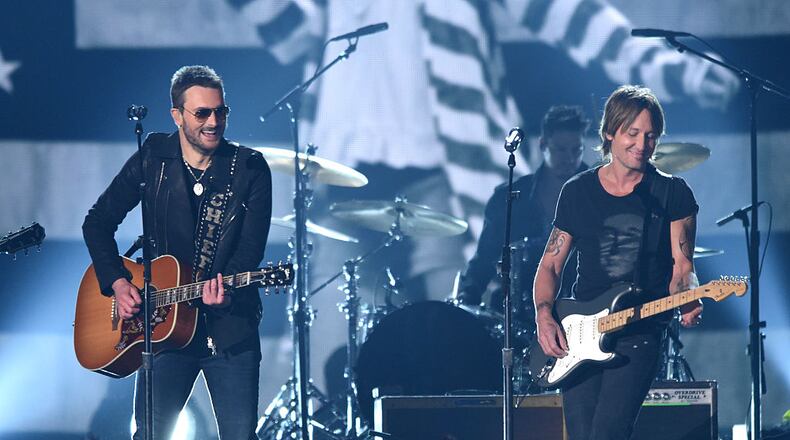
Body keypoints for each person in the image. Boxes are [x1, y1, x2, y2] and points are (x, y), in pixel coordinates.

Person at [82, 65, 272, 439]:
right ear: (177, 115)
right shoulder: (153, 156)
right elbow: (98, 222)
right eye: (202, 113)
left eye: (221, 111)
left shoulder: (249, 167)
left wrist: (225, 290)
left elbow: (250, 251)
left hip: (230, 328)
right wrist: (118, 284)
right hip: (164, 327)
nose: (214, 121)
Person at [532, 85, 703, 440]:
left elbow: (682, 267)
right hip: (580, 332)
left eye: (651, 136)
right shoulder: (578, 192)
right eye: (633, 133)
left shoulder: (673, 193)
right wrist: (544, 314)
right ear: (610, 133)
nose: (642, 145)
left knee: (609, 433)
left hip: (638, 332)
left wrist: (687, 296)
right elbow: (550, 265)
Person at [457, 105, 590, 314]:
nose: (569, 158)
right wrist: (465, 302)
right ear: (543, 145)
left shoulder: (595, 194)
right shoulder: (508, 198)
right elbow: (484, 258)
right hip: (517, 312)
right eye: (561, 150)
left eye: (577, 150)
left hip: (579, 310)